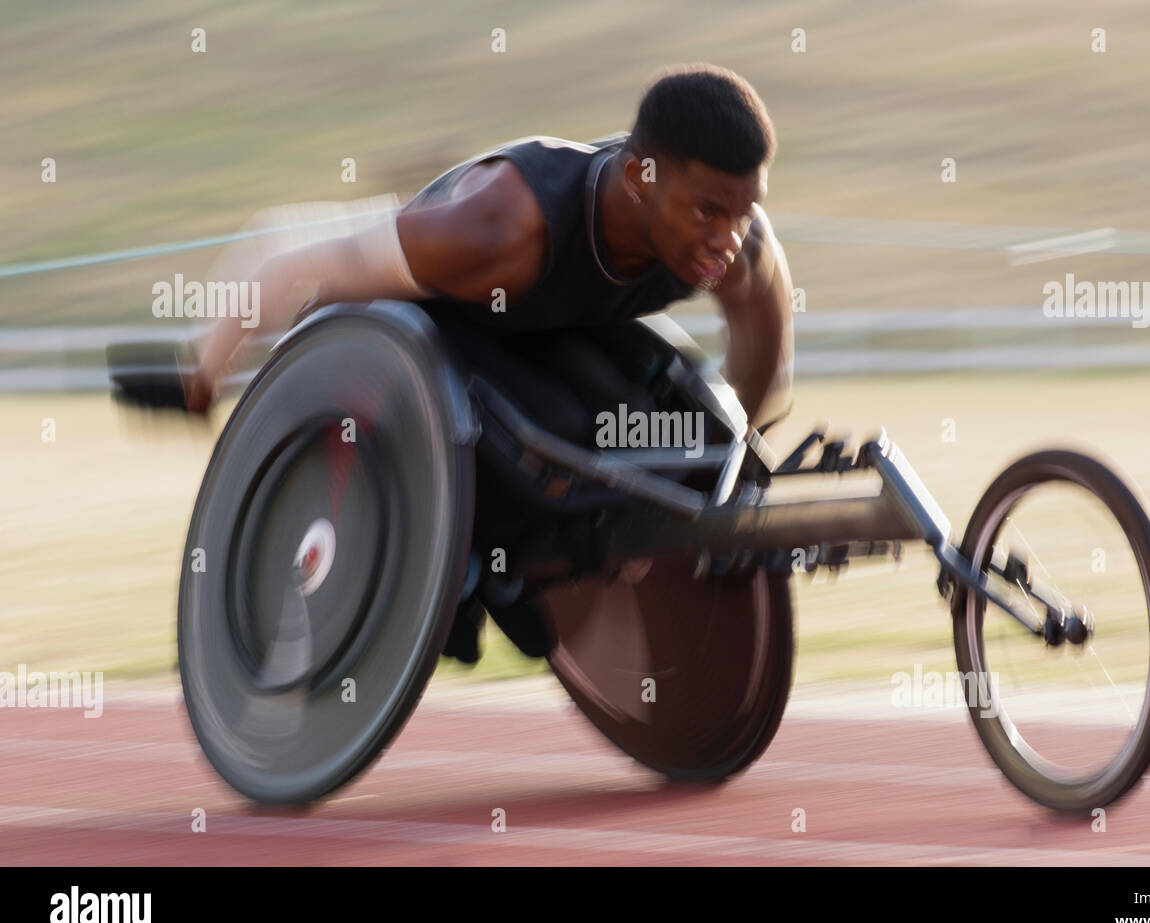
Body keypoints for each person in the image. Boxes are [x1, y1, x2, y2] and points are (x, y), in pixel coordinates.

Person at [170, 63, 796, 664]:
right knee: (557, 432)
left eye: (743, 212)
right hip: (415, 334)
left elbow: (760, 381)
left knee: (671, 435)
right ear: (638, 179)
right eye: (708, 213)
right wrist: (202, 377)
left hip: (542, 328)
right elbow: (286, 257)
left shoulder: (741, 248)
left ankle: (520, 556)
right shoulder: (500, 225)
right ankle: (472, 556)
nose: (728, 239)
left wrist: (737, 469)